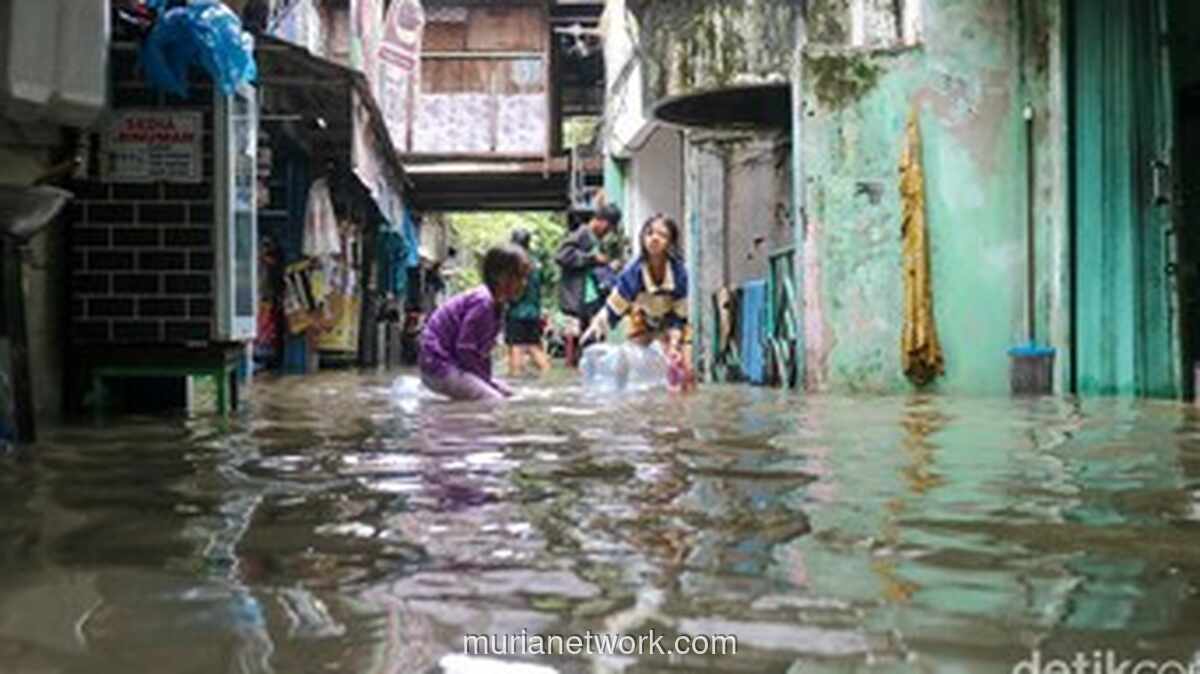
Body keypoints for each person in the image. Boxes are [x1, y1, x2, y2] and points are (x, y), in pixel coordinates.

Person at [581, 214, 696, 390]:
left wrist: (673, 345)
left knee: (687, 371)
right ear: (643, 238)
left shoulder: (679, 272)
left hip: (673, 322)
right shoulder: (633, 272)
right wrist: (596, 327)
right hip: (643, 318)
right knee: (624, 363)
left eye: (662, 235)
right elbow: (614, 307)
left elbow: (679, 317)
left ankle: (682, 411)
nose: (654, 239)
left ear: (670, 242)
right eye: (649, 233)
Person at [419, 244, 530, 401]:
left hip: (449, 365)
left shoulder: (495, 304)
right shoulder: (483, 303)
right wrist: (485, 381)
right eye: (519, 277)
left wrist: (487, 380)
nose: (524, 283)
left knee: (510, 395)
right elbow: (465, 348)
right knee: (493, 401)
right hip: (439, 366)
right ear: (501, 277)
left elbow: (481, 354)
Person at [555, 204, 622, 366]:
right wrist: (592, 259)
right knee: (577, 343)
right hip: (577, 299)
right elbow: (561, 256)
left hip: (589, 299)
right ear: (602, 222)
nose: (608, 232)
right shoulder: (583, 233)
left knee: (591, 340)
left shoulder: (593, 238)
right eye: (609, 227)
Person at [505, 228, 551, 376]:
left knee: (516, 346)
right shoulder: (535, 263)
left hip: (517, 312)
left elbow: (515, 290)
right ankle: (548, 375)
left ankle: (515, 379)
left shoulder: (515, 263)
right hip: (534, 313)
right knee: (533, 346)